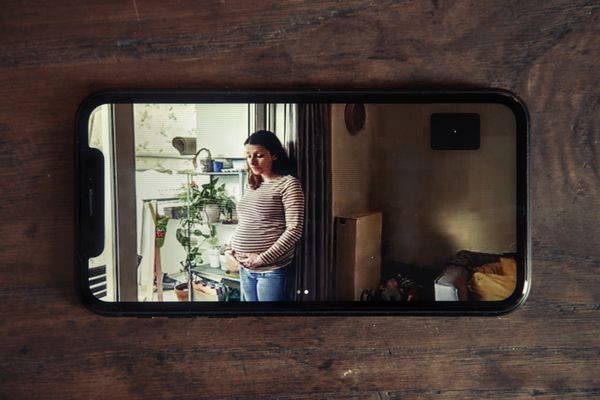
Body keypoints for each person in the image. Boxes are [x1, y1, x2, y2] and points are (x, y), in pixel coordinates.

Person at [228, 130, 304, 301]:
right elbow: (245, 223)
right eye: (248, 156)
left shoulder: (288, 183)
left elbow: (294, 229)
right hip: (245, 268)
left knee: (269, 317)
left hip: (270, 271)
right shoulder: (252, 185)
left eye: (259, 155)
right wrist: (228, 248)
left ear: (274, 155)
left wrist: (262, 259)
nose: (252, 161)